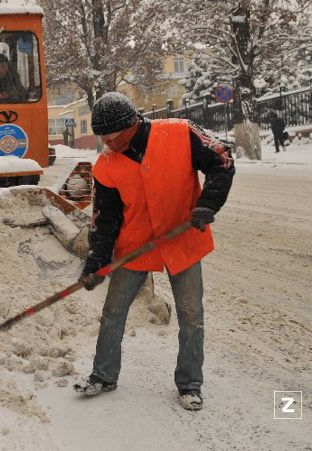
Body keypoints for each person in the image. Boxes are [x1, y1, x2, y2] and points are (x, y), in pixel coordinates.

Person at [72, 92, 235, 411]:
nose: (107, 141)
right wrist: (96, 262)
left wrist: (207, 204)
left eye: (113, 135)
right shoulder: (106, 164)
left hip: (182, 239)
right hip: (135, 246)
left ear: (132, 124)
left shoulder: (180, 132)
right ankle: (103, 375)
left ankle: (190, 383)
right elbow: (105, 219)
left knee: (191, 315)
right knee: (113, 312)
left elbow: (222, 160)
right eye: (102, 136)